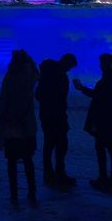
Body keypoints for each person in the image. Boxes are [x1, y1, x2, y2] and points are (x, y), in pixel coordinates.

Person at [73, 53, 112, 192]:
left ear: (108, 63)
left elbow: (98, 95)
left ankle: (104, 177)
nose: (101, 65)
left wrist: (82, 88)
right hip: (111, 119)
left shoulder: (109, 79)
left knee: (102, 148)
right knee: (110, 148)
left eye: (103, 62)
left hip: (105, 119)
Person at [0, 50, 39, 204]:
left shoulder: (9, 77)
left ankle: (14, 193)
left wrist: (2, 118)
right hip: (27, 125)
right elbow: (37, 72)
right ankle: (32, 192)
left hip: (11, 125)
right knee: (28, 160)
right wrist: (30, 58)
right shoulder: (29, 77)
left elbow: (3, 99)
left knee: (11, 161)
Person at [36, 53, 78, 189]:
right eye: (70, 66)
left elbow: (38, 95)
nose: (69, 69)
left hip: (47, 114)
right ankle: (58, 173)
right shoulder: (60, 75)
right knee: (60, 144)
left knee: (50, 144)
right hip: (56, 114)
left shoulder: (47, 74)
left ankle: (50, 173)